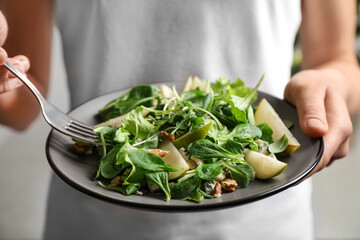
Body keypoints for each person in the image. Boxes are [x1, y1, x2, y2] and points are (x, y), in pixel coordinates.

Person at [1, 0, 359, 239]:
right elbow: (24, 97)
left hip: (263, 218)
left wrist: (334, 85)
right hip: (94, 215)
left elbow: (337, 58)